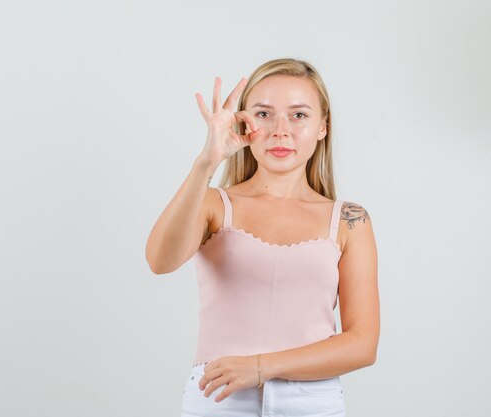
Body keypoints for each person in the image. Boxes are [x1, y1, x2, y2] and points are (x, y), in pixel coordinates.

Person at [145, 57, 379, 417]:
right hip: (220, 398)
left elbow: (362, 344)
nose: (280, 130)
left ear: (323, 127)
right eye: (265, 114)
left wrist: (260, 366)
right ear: (243, 122)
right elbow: (160, 261)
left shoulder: (349, 221)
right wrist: (206, 163)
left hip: (312, 402)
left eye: (299, 115)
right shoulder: (213, 205)